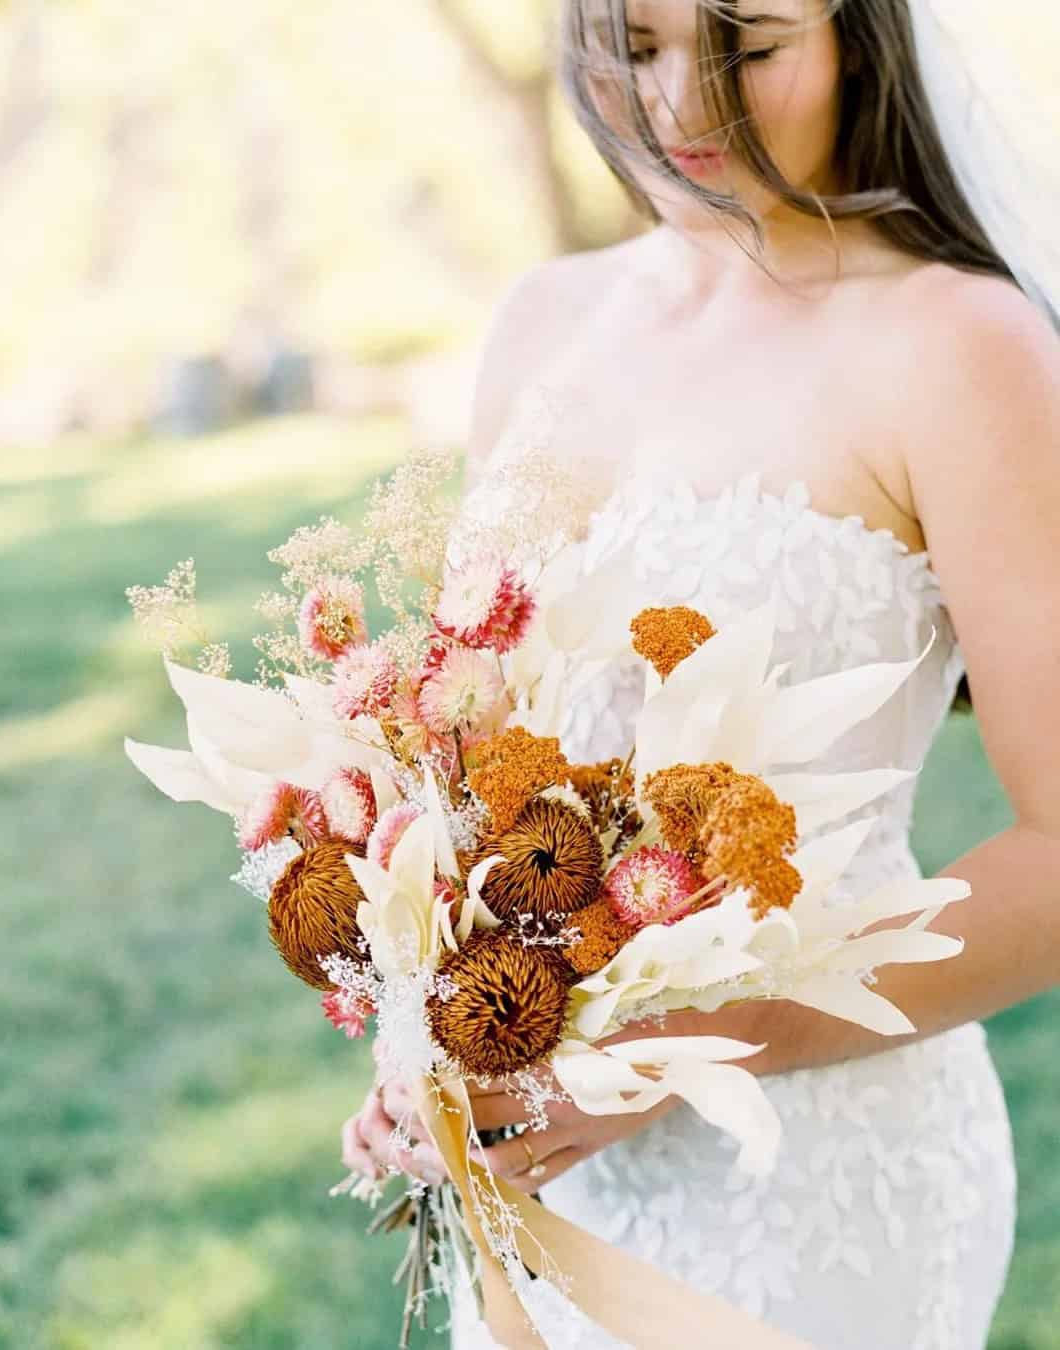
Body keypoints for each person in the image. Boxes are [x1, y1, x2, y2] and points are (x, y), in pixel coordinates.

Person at [342, 1, 1060, 1345]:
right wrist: (425, 1041)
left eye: (749, 42)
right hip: (553, 1172)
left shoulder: (960, 344)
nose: (685, 109)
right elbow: (468, 760)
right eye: (635, 44)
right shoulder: (544, 322)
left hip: (820, 1175)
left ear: (860, 33)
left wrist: (701, 1039)